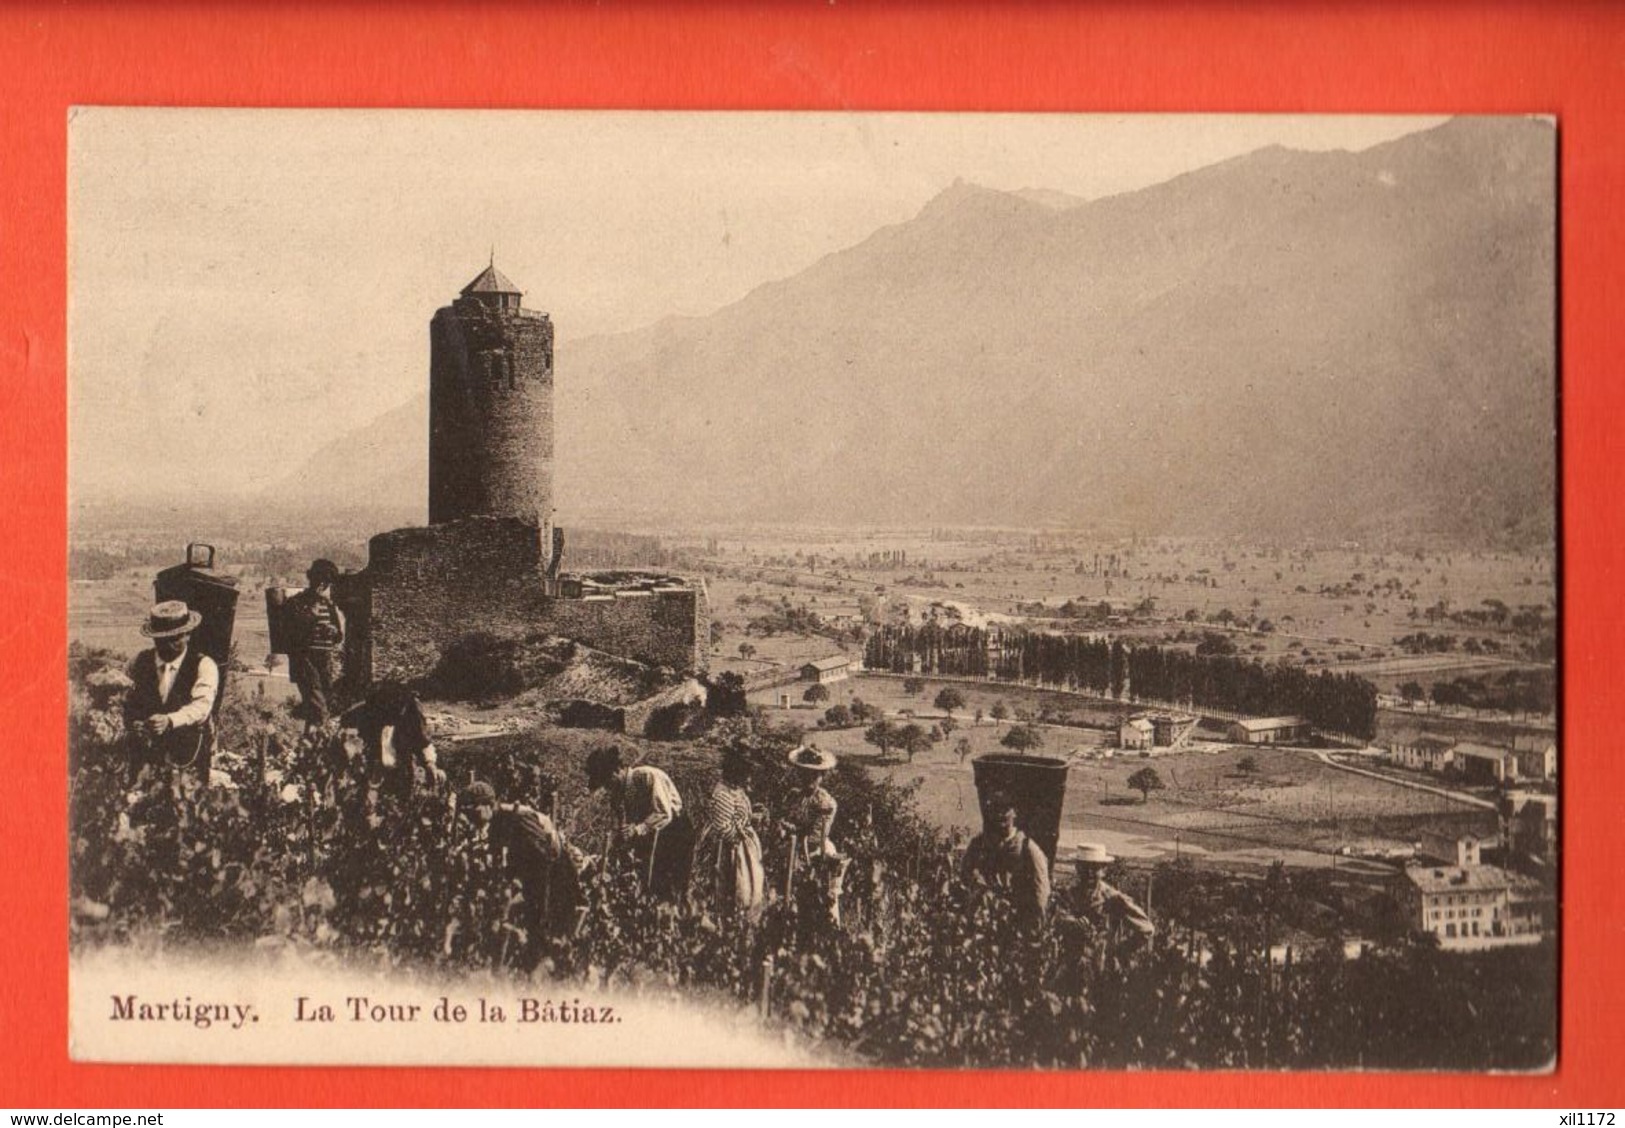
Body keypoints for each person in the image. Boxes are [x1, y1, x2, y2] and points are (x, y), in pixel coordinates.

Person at [461, 780, 587, 970]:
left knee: (550, 936)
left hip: (556, 879)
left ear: (488, 805)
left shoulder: (518, 818)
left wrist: (526, 892)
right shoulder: (496, 824)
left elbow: (544, 859)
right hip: (535, 881)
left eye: (475, 811)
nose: (472, 818)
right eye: (468, 813)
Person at [123, 601, 219, 779]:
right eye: (160, 639)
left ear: (187, 635)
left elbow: (201, 707)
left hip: (187, 758)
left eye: (174, 638)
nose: (166, 644)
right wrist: (133, 722)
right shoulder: (138, 662)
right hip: (145, 760)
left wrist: (170, 720)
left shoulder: (204, 666)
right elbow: (125, 700)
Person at [584, 745, 694, 901]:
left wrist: (637, 829)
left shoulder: (646, 776)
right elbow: (627, 824)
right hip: (654, 832)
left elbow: (663, 813)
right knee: (648, 882)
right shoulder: (621, 791)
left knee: (672, 885)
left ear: (617, 771)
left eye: (608, 783)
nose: (609, 788)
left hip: (676, 831)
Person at [961, 787, 1051, 928]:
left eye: (1005, 809)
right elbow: (964, 876)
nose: (1000, 815)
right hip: (981, 922)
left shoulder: (1027, 848)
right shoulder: (979, 844)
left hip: (1016, 924)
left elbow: (1041, 894)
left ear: (1015, 813)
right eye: (995, 809)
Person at [692, 747, 765, 921]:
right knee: (734, 887)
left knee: (750, 887)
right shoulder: (723, 793)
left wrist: (751, 818)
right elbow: (723, 827)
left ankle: (743, 919)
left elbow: (737, 815)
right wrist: (741, 838)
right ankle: (731, 921)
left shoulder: (735, 789)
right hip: (728, 850)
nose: (749, 776)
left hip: (741, 845)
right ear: (736, 771)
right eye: (746, 771)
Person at [781, 745, 849, 928]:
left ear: (822, 776)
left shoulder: (825, 803)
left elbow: (816, 836)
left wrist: (792, 830)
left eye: (813, 775)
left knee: (821, 899)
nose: (808, 779)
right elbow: (783, 818)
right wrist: (783, 828)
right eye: (803, 773)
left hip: (815, 853)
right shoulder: (793, 796)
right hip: (791, 848)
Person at [337, 682, 443, 798]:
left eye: (400, 712)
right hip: (372, 768)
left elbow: (422, 741)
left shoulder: (411, 711)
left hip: (401, 767)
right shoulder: (367, 712)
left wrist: (430, 764)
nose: (397, 716)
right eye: (393, 714)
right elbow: (346, 732)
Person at [285, 558, 346, 728]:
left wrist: (334, 632)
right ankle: (324, 739)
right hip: (305, 659)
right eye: (320, 581)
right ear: (312, 580)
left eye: (326, 583)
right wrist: (313, 612)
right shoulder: (296, 603)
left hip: (324, 659)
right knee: (317, 703)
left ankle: (311, 745)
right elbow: (293, 633)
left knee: (323, 701)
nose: (322, 586)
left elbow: (338, 636)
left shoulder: (329, 605)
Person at [1068, 843, 1154, 944]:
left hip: (1102, 957)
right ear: (1077, 868)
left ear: (1103, 870)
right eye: (1085, 867)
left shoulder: (1112, 898)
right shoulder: (1069, 894)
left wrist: (1120, 950)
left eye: (1095, 868)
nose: (1089, 873)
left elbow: (1146, 928)